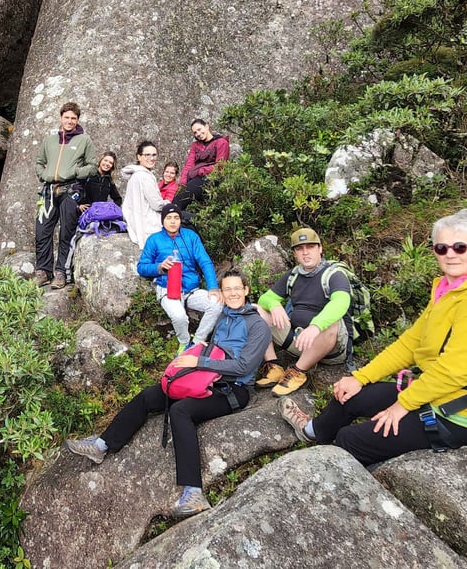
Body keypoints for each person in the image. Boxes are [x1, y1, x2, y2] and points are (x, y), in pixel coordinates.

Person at [279, 209, 467, 467]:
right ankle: (313, 431)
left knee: (350, 439)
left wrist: (401, 406)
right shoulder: (448, 293)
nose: (450, 254)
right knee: (349, 397)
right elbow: (409, 345)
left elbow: (453, 372)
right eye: (441, 247)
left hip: (461, 412)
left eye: (460, 247)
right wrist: (360, 377)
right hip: (433, 392)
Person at [65, 270, 272, 517]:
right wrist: (202, 352)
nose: (233, 293)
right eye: (227, 289)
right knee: (151, 395)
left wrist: (198, 364)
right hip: (206, 380)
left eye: (237, 288)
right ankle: (102, 445)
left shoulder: (258, 325)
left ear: (247, 290)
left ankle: (194, 492)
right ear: (222, 293)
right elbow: (216, 351)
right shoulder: (224, 318)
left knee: (181, 410)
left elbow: (243, 367)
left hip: (233, 390)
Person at [253, 228, 353, 397]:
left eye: (310, 247)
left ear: (320, 248)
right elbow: (265, 298)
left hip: (330, 348)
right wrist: (274, 305)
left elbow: (341, 302)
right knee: (256, 310)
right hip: (298, 340)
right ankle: (273, 366)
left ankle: (298, 371)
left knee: (332, 322)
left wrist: (315, 326)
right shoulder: (293, 276)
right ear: (294, 253)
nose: (305, 253)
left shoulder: (334, 275)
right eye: (300, 248)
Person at [138, 203, 223, 349]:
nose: (172, 221)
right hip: (167, 288)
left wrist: (213, 287)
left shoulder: (191, 236)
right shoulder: (154, 239)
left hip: (191, 289)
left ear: (180, 220)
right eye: (169, 218)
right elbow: (141, 267)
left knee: (216, 304)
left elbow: (205, 261)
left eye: (176, 217)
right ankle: (184, 343)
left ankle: (196, 343)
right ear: (163, 221)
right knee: (179, 317)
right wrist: (160, 267)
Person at [34, 102, 97, 289]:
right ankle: (43, 271)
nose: (70, 121)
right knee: (42, 231)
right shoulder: (49, 141)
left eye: (73, 118)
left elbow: (92, 167)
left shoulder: (84, 140)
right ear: (61, 118)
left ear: (78, 120)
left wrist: (76, 171)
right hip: (48, 190)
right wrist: (43, 174)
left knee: (66, 232)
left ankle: (61, 271)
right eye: (67, 117)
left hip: (71, 190)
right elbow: (39, 162)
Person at [173, 119, 229, 211]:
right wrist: (182, 184)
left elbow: (220, 165)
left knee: (180, 201)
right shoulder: (195, 145)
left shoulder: (221, 142)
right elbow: (188, 165)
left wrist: (200, 171)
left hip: (210, 178)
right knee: (178, 199)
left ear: (207, 126)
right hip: (194, 178)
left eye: (199, 129)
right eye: (195, 132)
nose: (198, 134)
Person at [120, 141, 167, 248]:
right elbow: (156, 204)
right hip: (147, 224)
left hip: (136, 222)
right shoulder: (144, 176)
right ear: (139, 157)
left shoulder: (135, 175)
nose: (151, 158)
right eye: (147, 155)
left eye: (154, 155)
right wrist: (168, 203)